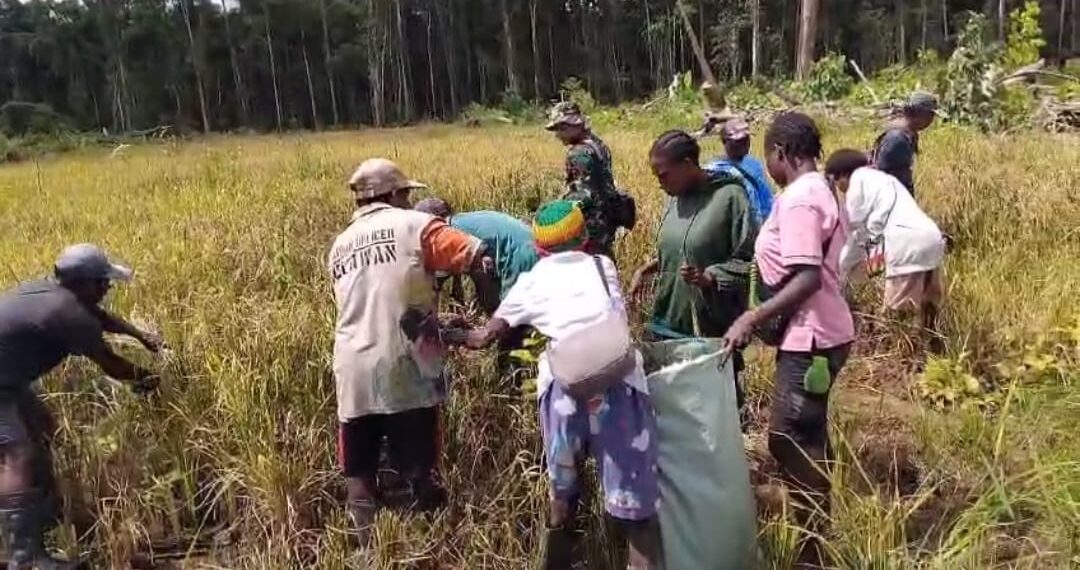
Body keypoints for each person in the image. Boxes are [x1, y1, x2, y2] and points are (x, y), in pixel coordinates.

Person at [443, 200, 661, 570]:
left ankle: (557, 560)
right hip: (620, 386)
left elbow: (483, 338)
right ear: (585, 236)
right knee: (635, 510)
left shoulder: (532, 281)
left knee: (562, 496)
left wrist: (449, 332)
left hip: (564, 394)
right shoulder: (601, 265)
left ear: (540, 247)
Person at [328, 158, 492, 546]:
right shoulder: (415, 225)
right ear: (397, 194)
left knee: (360, 473)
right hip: (405, 366)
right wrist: (489, 314)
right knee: (420, 469)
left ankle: (367, 550)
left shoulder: (339, 245)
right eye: (406, 194)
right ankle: (430, 544)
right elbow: (477, 254)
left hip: (351, 370)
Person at [721, 112, 855, 568]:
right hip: (825, 332)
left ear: (781, 152)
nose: (769, 167)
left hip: (811, 338)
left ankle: (814, 548)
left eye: (769, 157)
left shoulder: (799, 199)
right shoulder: (821, 189)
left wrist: (751, 317)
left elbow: (807, 278)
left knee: (785, 438)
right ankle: (816, 537)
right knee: (809, 433)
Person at [0, 244, 162, 569]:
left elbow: (102, 318)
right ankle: (25, 557)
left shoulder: (49, 290)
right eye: (102, 281)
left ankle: (42, 527)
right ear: (84, 284)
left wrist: (141, 336)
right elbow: (112, 365)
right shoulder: (69, 315)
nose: (108, 287)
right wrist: (150, 379)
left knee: (43, 430)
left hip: (9, 381)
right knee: (16, 454)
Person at [630, 130, 757, 424]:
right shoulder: (674, 199)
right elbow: (678, 246)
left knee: (717, 412)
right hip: (668, 319)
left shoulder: (730, 197)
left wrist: (710, 278)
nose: (660, 184)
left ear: (688, 164)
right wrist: (648, 268)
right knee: (672, 413)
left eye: (664, 175)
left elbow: (749, 261)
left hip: (708, 324)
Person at [826, 149, 947, 345]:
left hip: (907, 243)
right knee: (928, 309)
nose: (840, 190)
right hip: (930, 238)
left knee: (898, 319)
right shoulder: (883, 180)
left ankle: (903, 366)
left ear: (842, 176)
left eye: (836, 183)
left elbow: (860, 234)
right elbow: (876, 230)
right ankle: (934, 356)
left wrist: (842, 271)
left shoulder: (857, 184)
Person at [413, 197, 539, 314]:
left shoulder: (448, 232)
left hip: (518, 255)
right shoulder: (463, 221)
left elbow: (437, 282)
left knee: (511, 316)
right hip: (532, 244)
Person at [546, 101, 624, 256]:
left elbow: (582, 195)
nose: (558, 134)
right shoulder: (597, 144)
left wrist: (558, 210)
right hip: (607, 219)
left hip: (590, 224)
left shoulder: (578, 153)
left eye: (562, 128)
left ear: (576, 125)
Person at [703, 117, 775, 226]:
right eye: (738, 142)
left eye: (746, 139)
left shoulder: (754, 164)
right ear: (724, 141)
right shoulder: (715, 170)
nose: (744, 144)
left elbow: (766, 199)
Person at [871, 91, 940, 197]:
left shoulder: (906, 133)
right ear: (920, 112)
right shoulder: (898, 139)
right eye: (930, 114)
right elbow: (883, 178)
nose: (932, 119)